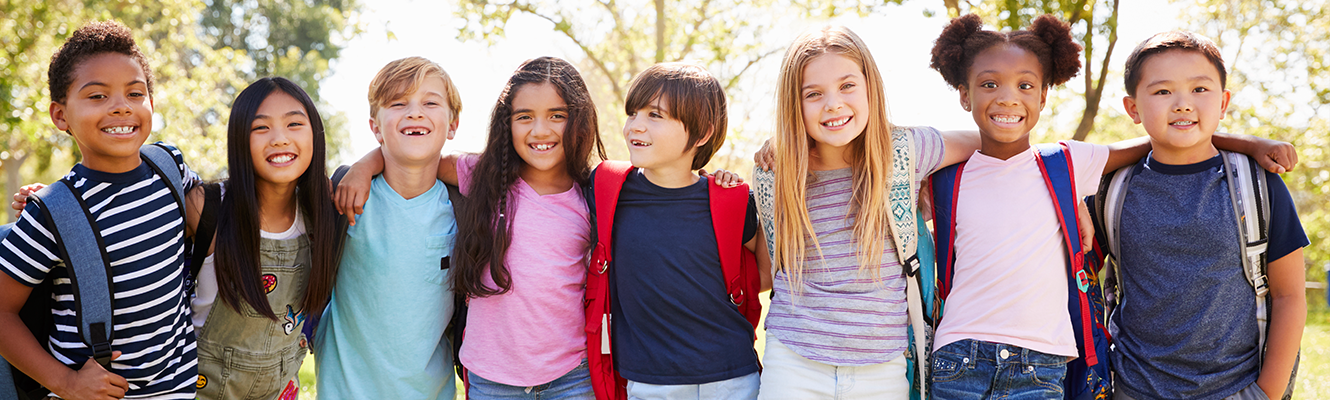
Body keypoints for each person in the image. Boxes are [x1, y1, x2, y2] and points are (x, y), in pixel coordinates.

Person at [924, 14, 1297, 398]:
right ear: (964, 95)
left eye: (1024, 85)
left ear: (1043, 96)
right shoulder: (946, 177)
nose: (1007, 96)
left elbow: (1165, 140)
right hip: (968, 359)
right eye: (989, 84)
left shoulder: (1069, 164)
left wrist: (1250, 144)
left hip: (1047, 366)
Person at [336, 56, 608, 399]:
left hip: (571, 376)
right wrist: (363, 167)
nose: (540, 130)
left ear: (579, 120)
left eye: (557, 115)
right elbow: (418, 158)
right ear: (506, 123)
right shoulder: (484, 176)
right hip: (491, 380)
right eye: (524, 117)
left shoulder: (591, 196)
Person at [754, 25, 981, 400]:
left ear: (869, 87)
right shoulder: (779, 172)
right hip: (794, 360)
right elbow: (768, 267)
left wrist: (1072, 202)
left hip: (883, 366)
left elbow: (991, 141)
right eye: (813, 94)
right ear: (794, 105)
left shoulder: (906, 150)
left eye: (847, 86)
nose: (833, 104)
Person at [0, 21, 201, 399]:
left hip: (177, 388)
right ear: (60, 116)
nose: (121, 106)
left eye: (135, 93)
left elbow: (223, 219)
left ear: (151, 103)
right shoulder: (51, 213)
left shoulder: (170, 167)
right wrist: (66, 383)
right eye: (97, 96)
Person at [1103, 30, 1307, 400]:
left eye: (1199, 89)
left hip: (1237, 389)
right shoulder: (1111, 189)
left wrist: (1266, 394)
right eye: (1162, 92)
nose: (1183, 104)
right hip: (1132, 388)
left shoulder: (1258, 184)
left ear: (1223, 102)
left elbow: (1289, 295)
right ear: (1133, 108)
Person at [589, 62, 768, 400]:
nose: (635, 126)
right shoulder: (607, 188)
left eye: (655, 115)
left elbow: (764, 276)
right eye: (633, 113)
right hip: (650, 383)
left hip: (731, 379)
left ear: (702, 134)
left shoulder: (731, 200)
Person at [312, 56, 461, 399]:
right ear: (375, 127)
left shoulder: (462, 207)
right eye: (398, 103)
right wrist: (363, 166)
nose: (415, 113)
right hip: (344, 391)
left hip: (431, 392)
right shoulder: (348, 196)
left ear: (452, 125)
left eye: (430, 103)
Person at [188, 77, 343, 400]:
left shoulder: (321, 215)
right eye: (261, 128)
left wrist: (365, 167)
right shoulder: (205, 207)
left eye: (294, 124)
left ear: (315, 134)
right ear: (239, 140)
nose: (280, 139)